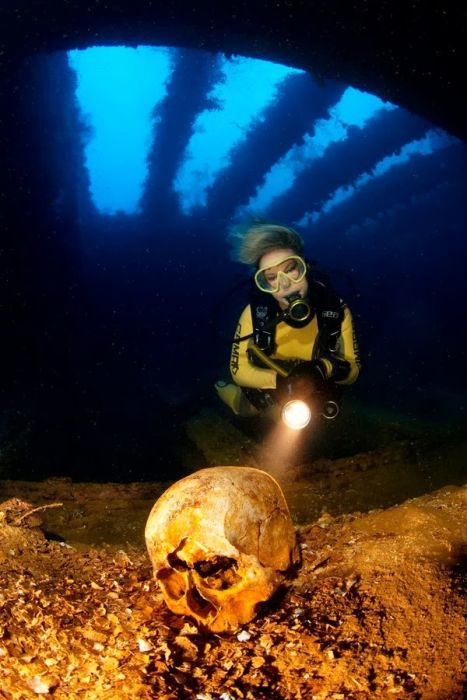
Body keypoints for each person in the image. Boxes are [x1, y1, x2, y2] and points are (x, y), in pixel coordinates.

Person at [215, 222, 361, 421]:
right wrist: (279, 381)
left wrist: (322, 368)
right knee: (246, 409)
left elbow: (353, 369)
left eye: (291, 268)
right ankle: (218, 386)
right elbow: (239, 369)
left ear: (305, 267)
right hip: (272, 386)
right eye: (271, 278)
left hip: (315, 386)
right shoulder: (254, 314)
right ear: (264, 284)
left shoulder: (336, 309)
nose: (285, 284)